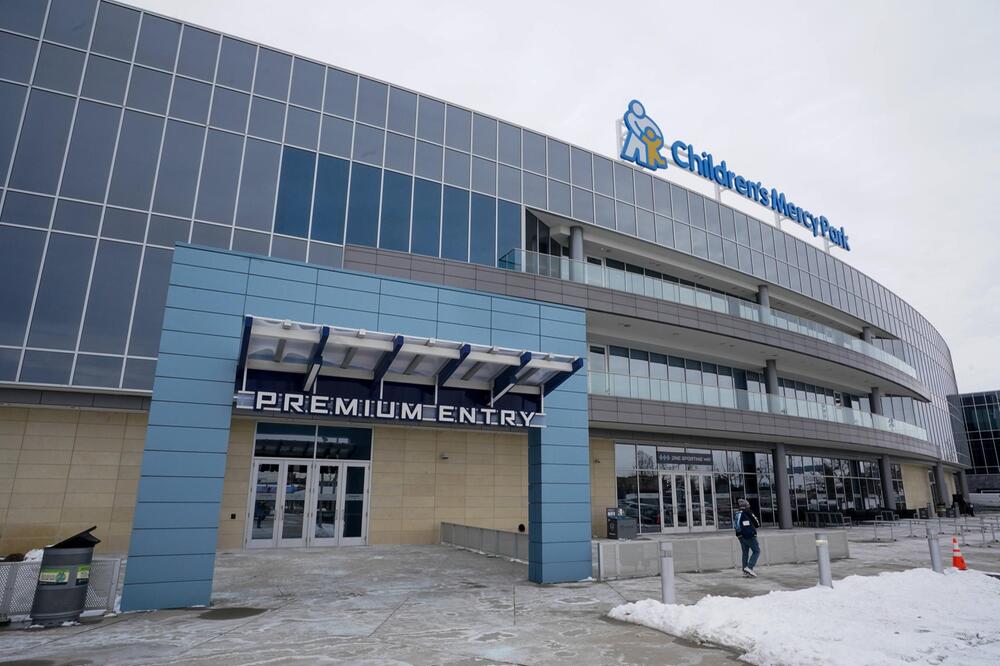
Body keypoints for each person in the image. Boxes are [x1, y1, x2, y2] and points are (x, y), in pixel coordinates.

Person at [733, 498, 761, 577]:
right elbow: (757, 523)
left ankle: (745, 571)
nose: (749, 506)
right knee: (756, 551)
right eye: (748, 505)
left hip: (740, 536)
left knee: (745, 553)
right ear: (746, 506)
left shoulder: (737, 513)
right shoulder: (748, 511)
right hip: (749, 535)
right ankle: (749, 567)